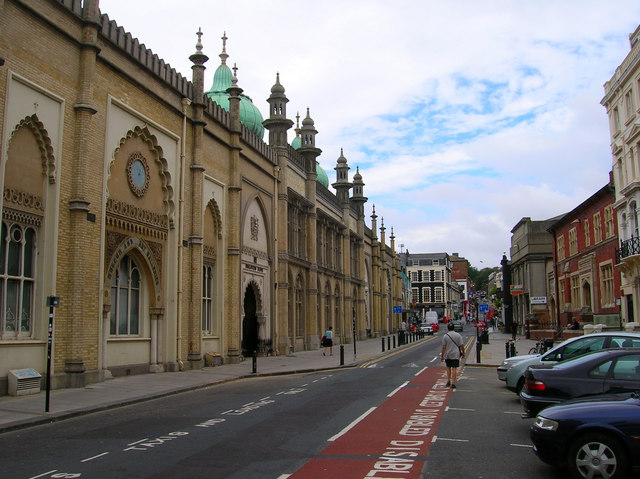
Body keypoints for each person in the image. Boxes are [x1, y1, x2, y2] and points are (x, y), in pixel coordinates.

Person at [441, 322, 465, 389]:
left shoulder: (445, 336)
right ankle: (453, 382)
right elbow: (461, 345)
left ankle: (448, 380)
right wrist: (463, 353)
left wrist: (442, 356)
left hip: (448, 354)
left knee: (448, 367)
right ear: (454, 328)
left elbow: (443, 347)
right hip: (455, 354)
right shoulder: (458, 335)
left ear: (448, 328)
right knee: (454, 368)